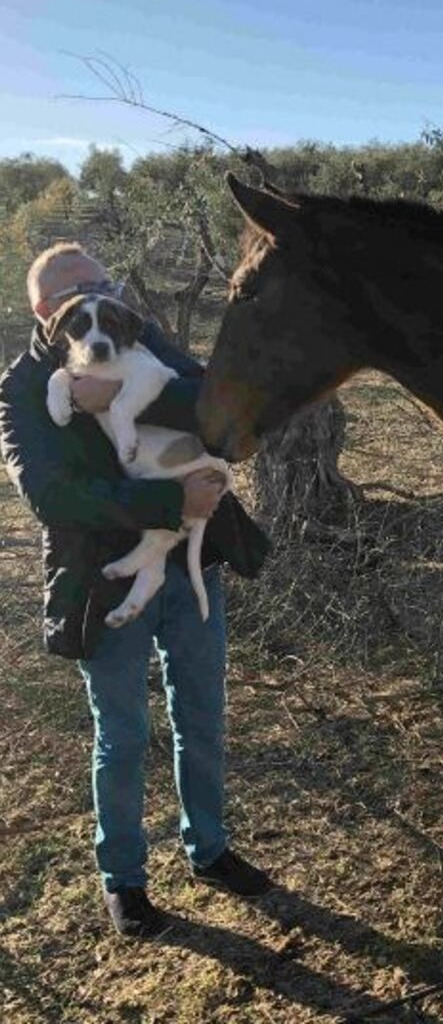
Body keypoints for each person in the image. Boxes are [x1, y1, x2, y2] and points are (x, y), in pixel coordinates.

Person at [0, 242, 273, 938]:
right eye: (80, 294)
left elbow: (218, 408)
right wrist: (167, 502)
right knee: (122, 736)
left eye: (104, 284)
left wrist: (123, 391)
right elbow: (50, 495)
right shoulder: (24, 385)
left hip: (193, 558)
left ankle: (208, 849)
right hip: (104, 578)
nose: (103, 303)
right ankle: (123, 880)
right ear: (45, 314)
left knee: (202, 716)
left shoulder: (137, 333)